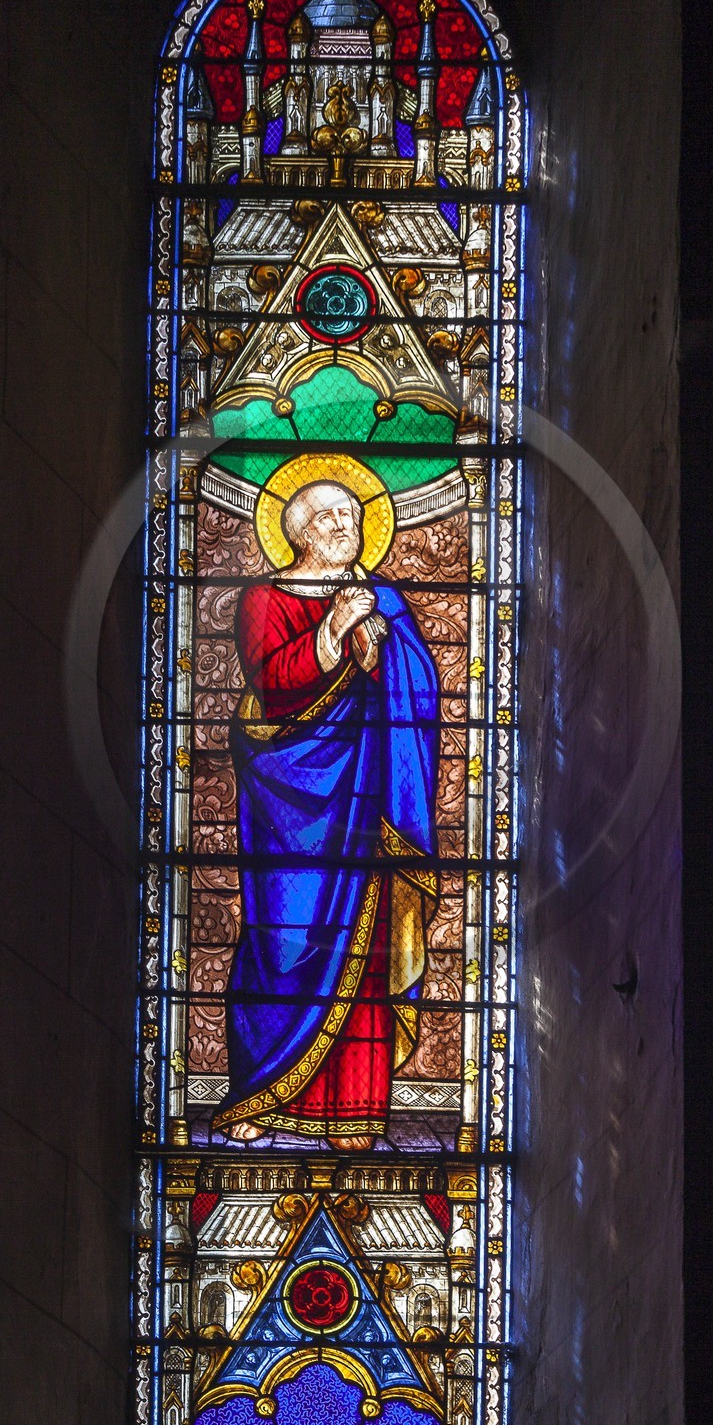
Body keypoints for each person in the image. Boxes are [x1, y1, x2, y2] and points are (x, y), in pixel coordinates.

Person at [213, 479, 439, 1150]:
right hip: (287, 799)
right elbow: (270, 681)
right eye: (332, 517)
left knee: (360, 948)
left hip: (366, 799)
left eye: (353, 514)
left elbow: (418, 685)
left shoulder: (386, 599)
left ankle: (353, 1111)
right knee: (277, 940)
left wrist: (382, 646)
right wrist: (335, 630)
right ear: (302, 531)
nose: (348, 526)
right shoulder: (265, 598)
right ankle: (258, 1094)